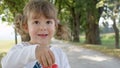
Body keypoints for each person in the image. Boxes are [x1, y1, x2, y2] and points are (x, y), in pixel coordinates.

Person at [1, 0, 71, 68]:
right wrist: (34, 51)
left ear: (55, 26)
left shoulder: (59, 54)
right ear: (26, 27)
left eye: (48, 22)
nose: (43, 28)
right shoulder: (20, 49)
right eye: (36, 22)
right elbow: (6, 64)